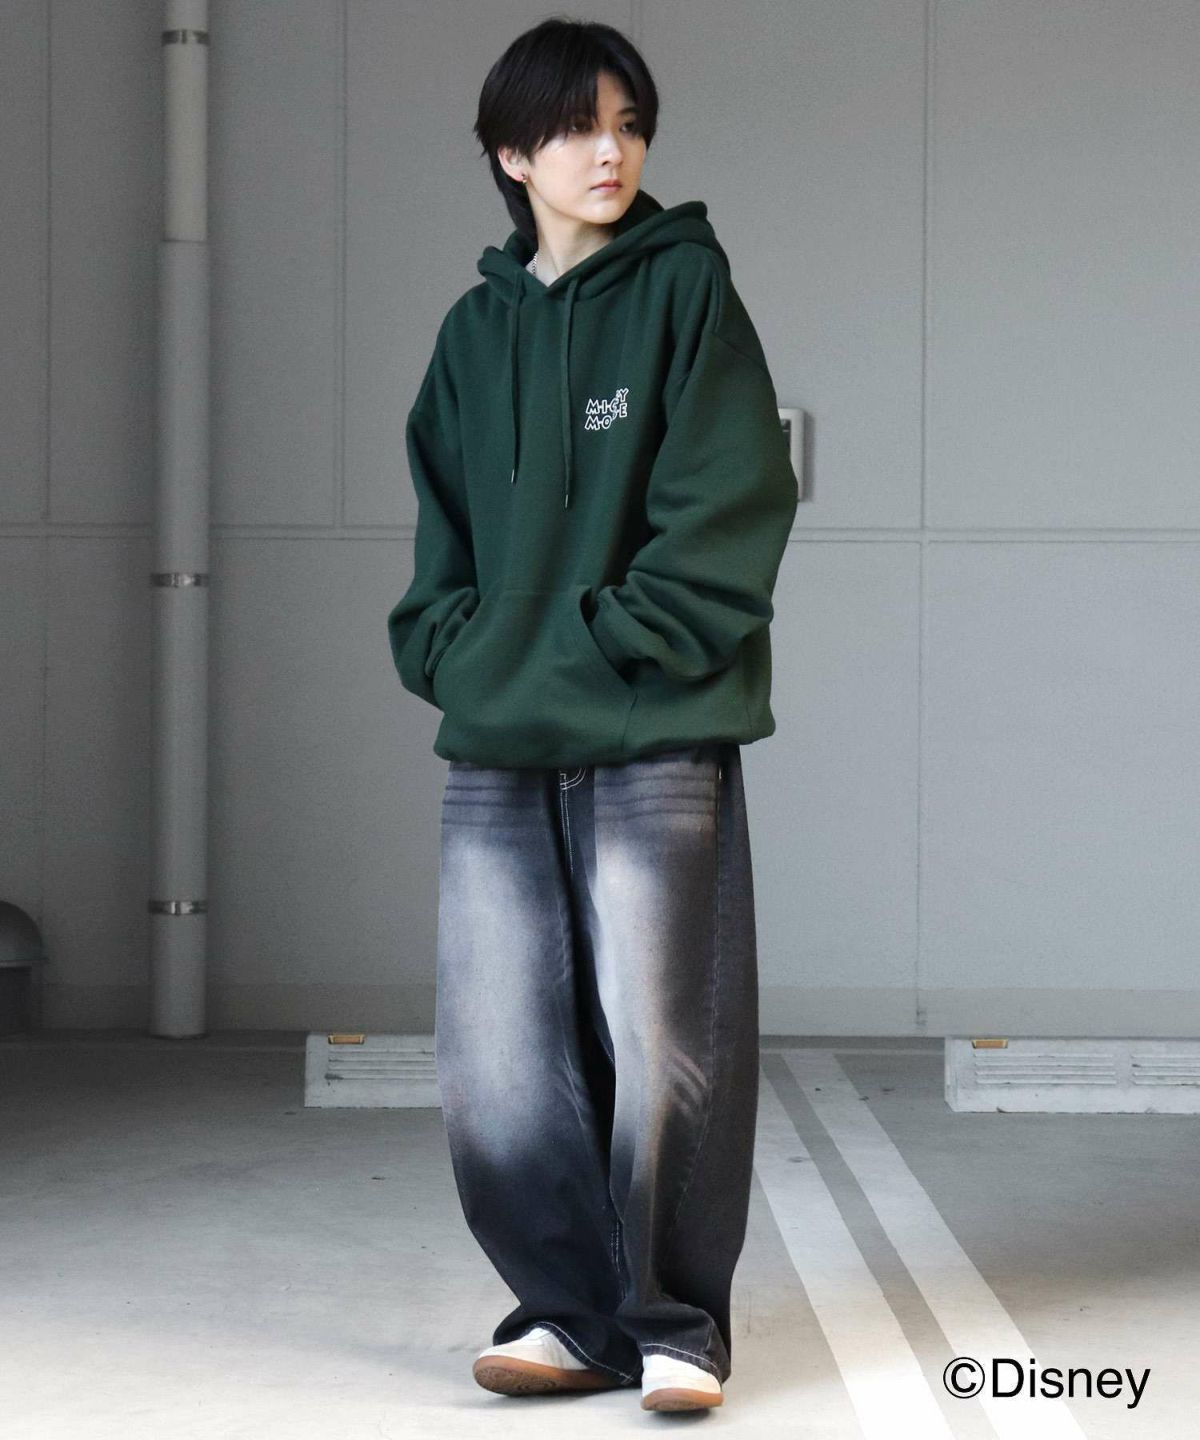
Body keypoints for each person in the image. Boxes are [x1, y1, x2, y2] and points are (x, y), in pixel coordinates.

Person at [386, 16, 798, 1415]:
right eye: (575, 126)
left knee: (666, 1042)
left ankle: (675, 1320)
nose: (610, 149)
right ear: (513, 154)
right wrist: (456, 653)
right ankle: (565, 1313)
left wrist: (611, 646)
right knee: (497, 1056)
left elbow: (729, 509)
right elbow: (440, 540)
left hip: (656, 726)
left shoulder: (687, 292)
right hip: (501, 738)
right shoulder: (472, 334)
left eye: (629, 122)